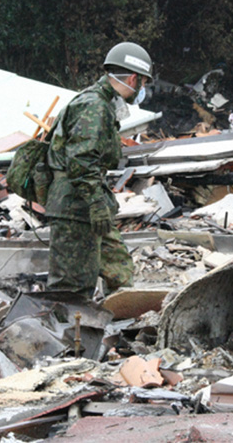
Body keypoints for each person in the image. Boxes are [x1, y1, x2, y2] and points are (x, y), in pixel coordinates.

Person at [44, 42, 153, 300]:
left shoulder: (102, 103)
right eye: (144, 83)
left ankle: (124, 319)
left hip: (89, 202)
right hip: (76, 205)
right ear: (135, 78)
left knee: (119, 267)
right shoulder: (94, 105)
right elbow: (81, 161)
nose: (143, 89)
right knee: (72, 285)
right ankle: (67, 334)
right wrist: (95, 204)